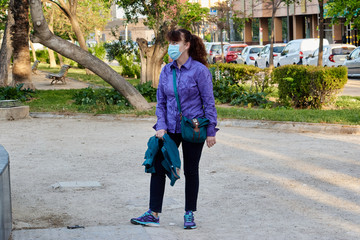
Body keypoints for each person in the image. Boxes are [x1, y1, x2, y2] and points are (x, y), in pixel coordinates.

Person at [130, 28, 218, 229]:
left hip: (192, 128)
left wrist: (211, 130)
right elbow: (160, 102)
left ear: (186, 45)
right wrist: (160, 126)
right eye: (170, 42)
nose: (171, 47)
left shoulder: (200, 71)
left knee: (191, 170)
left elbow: (209, 103)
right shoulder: (166, 70)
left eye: (175, 42)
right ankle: (153, 214)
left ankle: (189, 214)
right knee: (159, 166)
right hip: (169, 128)